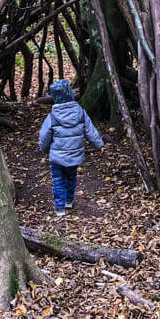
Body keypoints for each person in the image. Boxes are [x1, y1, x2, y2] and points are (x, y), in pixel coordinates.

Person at [38, 79, 105, 216]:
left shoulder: (52, 117)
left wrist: (43, 148)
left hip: (57, 157)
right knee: (71, 177)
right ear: (70, 95)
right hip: (75, 155)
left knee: (58, 181)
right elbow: (90, 131)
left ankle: (60, 208)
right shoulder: (81, 114)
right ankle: (69, 200)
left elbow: (44, 136)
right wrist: (99, 145)